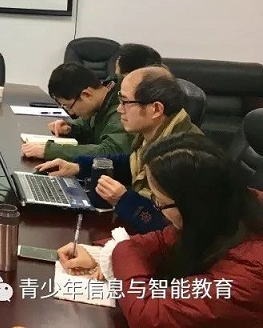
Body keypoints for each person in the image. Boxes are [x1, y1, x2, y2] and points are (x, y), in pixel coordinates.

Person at [57, 133, 263, 327]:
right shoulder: (227, 208)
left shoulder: (251, 273)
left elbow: (149, 314)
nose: (157, 208)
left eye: (160, 202)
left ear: (193, 206)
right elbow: (163, 240)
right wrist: (102, 254)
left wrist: (119, 251)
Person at [37, 66, 203, 232]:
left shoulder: (183, 155)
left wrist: (123, 199)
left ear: (156, 109)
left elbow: (170, 229)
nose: (119, 109)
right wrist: (79, 167)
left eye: (126, 103)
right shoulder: (155, 133)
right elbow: (130, 163)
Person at [21, 63, 132, 160]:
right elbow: (90, 124)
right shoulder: (102, 99)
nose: (71, 113)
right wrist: (71, 128)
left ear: (86, 94)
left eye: (69, 107)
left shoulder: (121, 110)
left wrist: (51, 151)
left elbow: (111, 151)